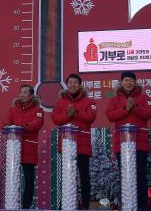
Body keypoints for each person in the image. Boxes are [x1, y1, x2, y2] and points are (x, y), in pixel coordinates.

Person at [106, 71, 151, 210]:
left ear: (135, 82)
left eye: (131, 80)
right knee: (125, 176)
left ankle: (142, 207)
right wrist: (126, 109)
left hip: (140, 144)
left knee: (140, 176)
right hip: (123, 145)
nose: (129, 83)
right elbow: (110, 115)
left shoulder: (144, 97)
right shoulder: (114, 100)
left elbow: (149, 113)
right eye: (126, 80)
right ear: (121, 82)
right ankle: (127, 206)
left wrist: (135, 107)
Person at [52, 73, 97, 209]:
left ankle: (85, 206)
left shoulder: (89, 101)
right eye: (70, 82)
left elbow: (91, 117)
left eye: (75, 82)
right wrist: (68, 114)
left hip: (82, 144)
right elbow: (55, 119)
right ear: (67, 85)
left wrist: (76, 113)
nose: (72, 85)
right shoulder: (60, 102)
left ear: (80, 85)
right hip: (67, 144)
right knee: (67, 175)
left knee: (84, 176)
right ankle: (66, 204)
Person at [2, 85, 44, 209]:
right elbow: (5, 122)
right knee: (12, 178)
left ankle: (26, 206)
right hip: (14, 148)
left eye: (25, 92)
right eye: (20, 92)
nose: (22, 94)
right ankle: (12, 204)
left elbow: (37, 124)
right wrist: (9, 127)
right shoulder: (12, 110)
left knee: (29, 180)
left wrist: (22, 127)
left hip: (29, 148)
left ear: (31, 95)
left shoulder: (38, 110)